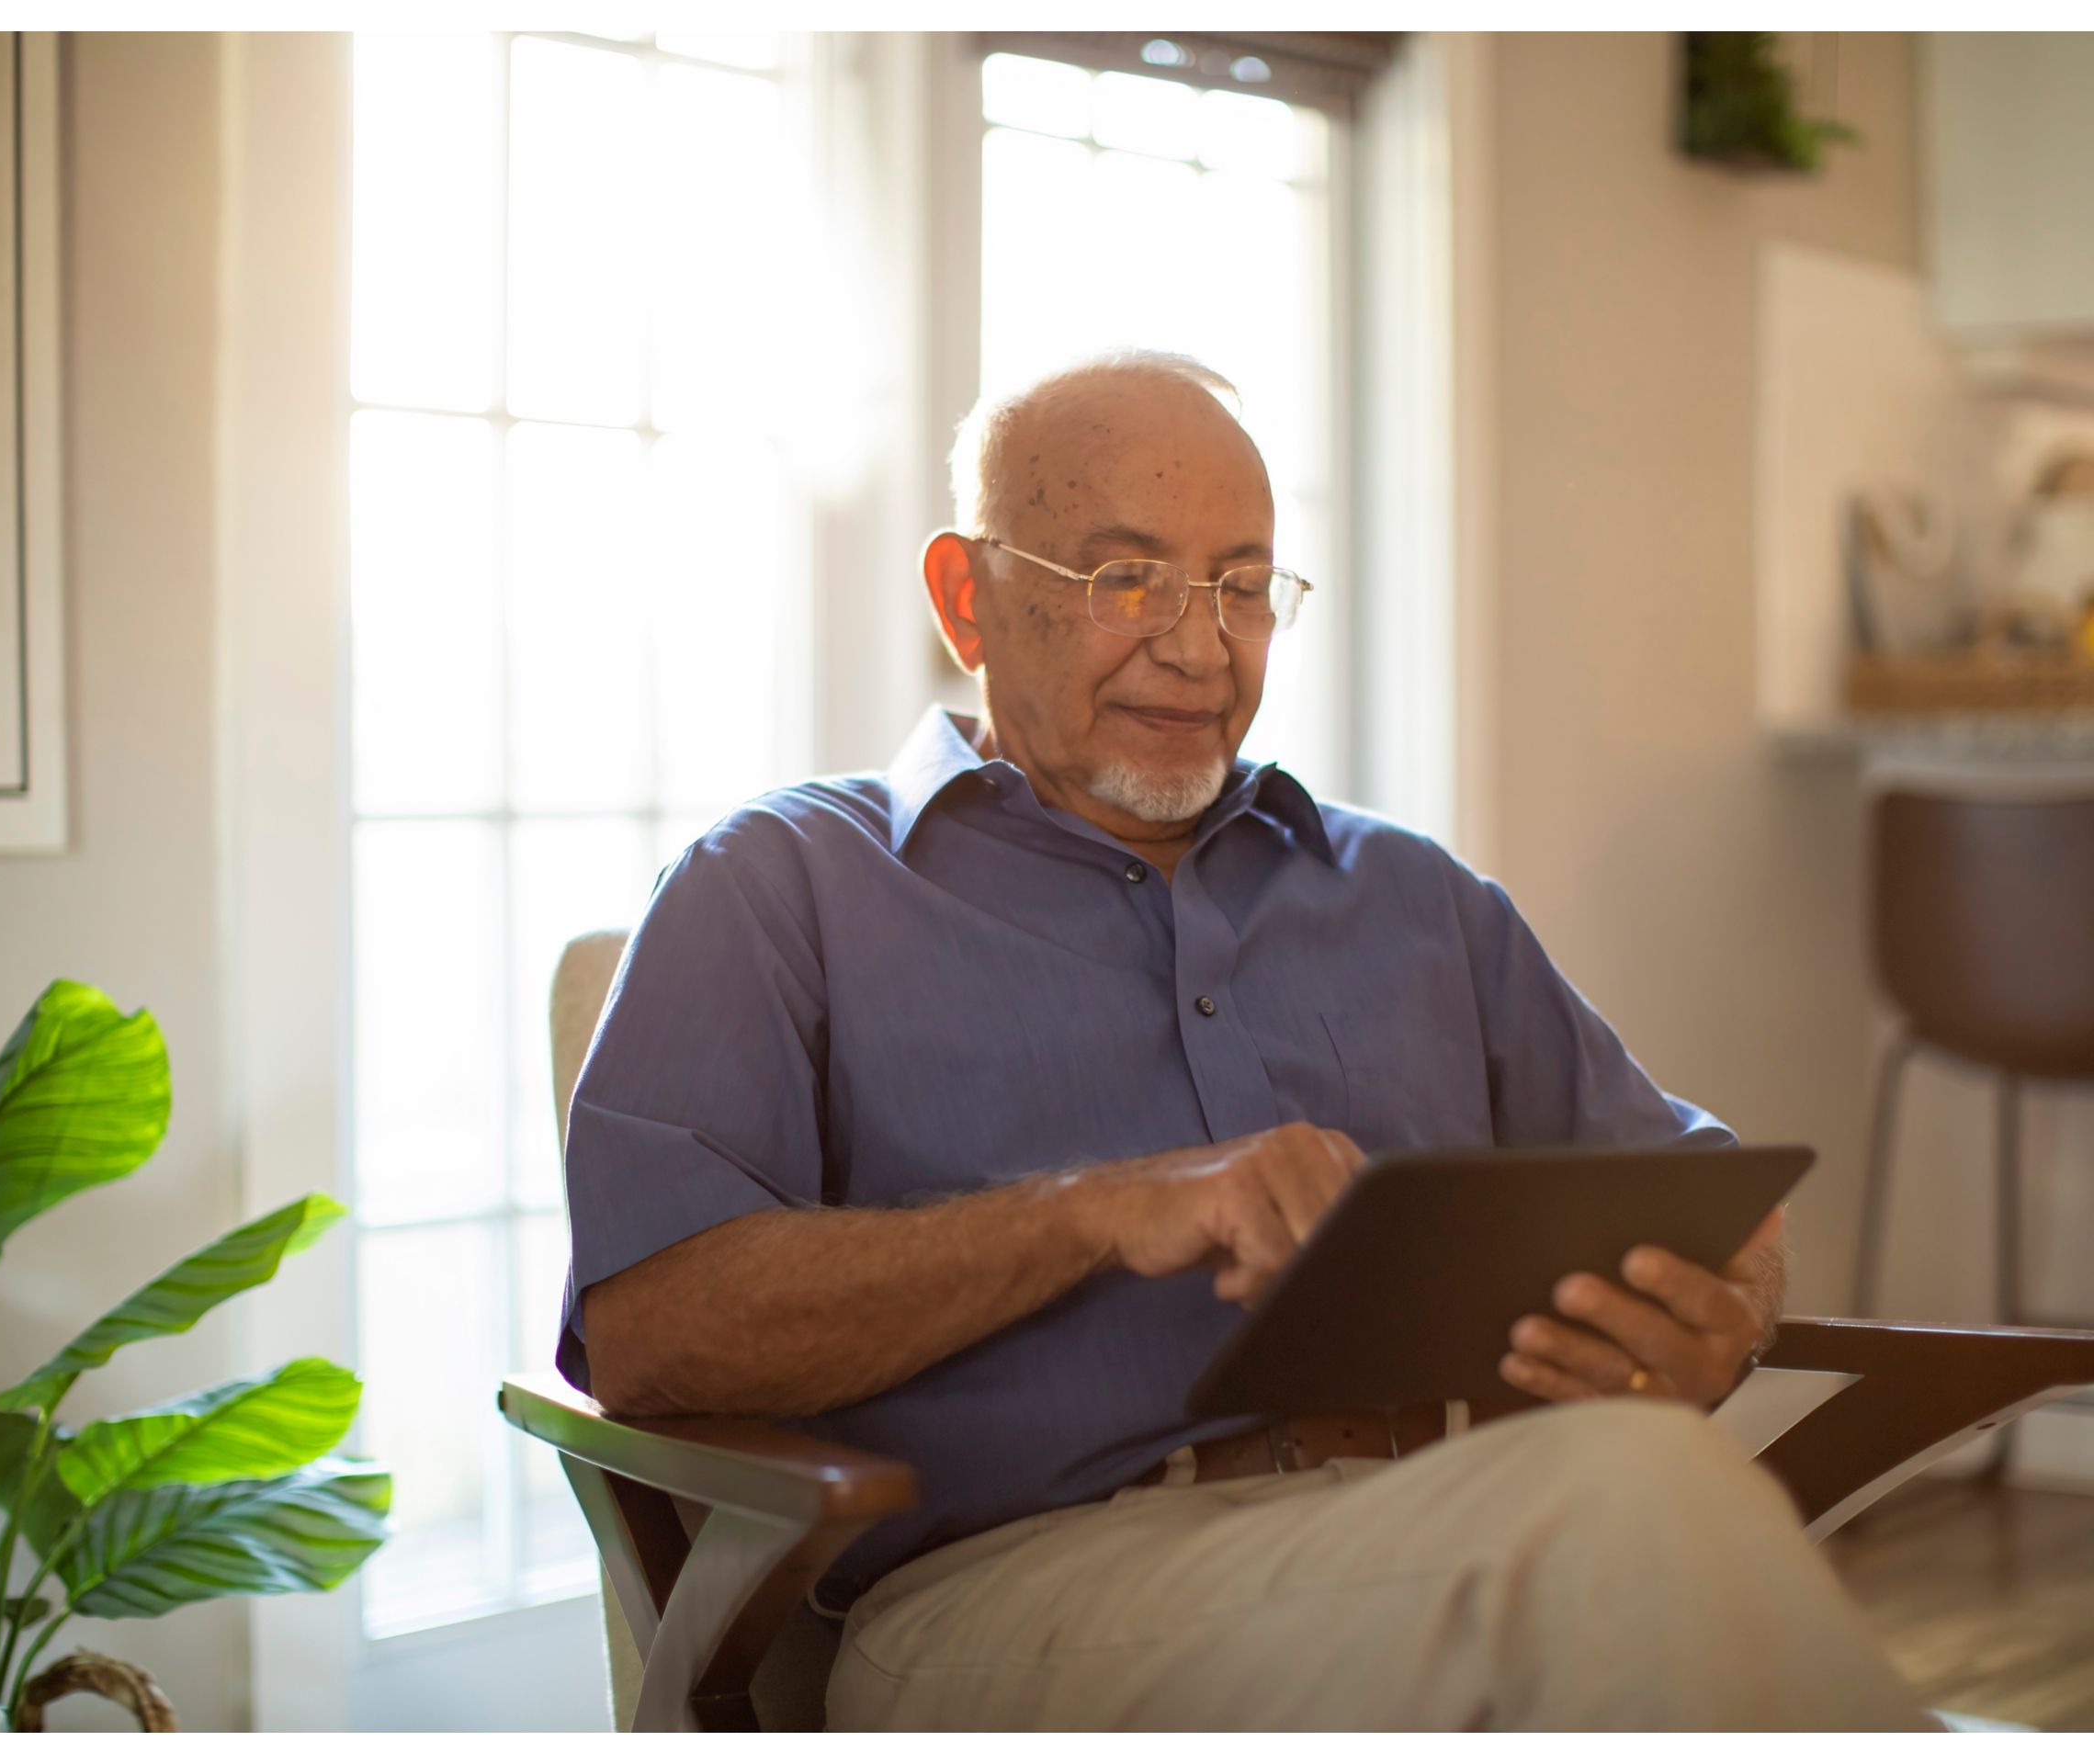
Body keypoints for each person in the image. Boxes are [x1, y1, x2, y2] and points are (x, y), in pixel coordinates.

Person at [557, 350, 1923, 1729]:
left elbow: (1710, 1199)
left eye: (1243, 585)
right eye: (1126, 579)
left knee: (1631, 1515)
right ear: (968, 597)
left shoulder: (1413, 896)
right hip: (1013, 1594)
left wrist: (1712, 1324)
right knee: (1630, 1513)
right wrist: (1096, 1214)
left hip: (1459, 1517)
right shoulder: (783, 883)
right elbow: (652, 1334)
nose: (1201, 645)